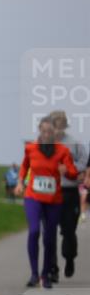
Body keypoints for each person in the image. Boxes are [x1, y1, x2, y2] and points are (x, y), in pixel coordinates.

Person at [15, 117, 78, 289]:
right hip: (33, 197)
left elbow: (73, 173)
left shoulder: (63, 151)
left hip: (54, 200)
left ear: (55, 133)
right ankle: (34, 274)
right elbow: (24, 167)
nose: (47, 135)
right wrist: (20, 182)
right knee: (34, 231)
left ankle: (46, 274)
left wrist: (66, 171)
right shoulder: (31, 148)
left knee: (50, 238)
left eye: (50, 132)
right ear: (39, 132)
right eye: (44, 131)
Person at [48, 111, 89, 279]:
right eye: (55, 124)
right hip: (49, 193)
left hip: (69, 192)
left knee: (69, 231)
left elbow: (83, 162)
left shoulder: (75, 143)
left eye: (61, 125)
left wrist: (70, 168)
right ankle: (52, 268)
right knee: (49, 232)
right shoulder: (43, 143)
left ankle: (69, 258)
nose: (58, 128)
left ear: (64, 126)